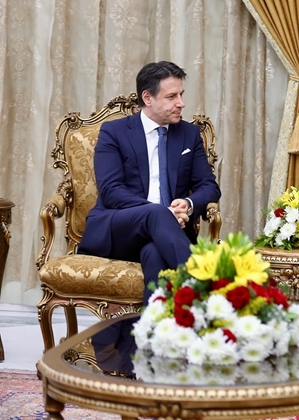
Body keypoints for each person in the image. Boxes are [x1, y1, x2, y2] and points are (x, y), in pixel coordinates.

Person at [78, 61, 221, 375]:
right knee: (156, 212)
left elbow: (209, 186)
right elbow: (111, 191)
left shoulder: (189, 134)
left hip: (164, 239)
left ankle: (146, 357)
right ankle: (208, 296)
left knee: (156, 254)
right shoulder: (115, 132)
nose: (181, 103)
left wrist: (188, 203)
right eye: (171, 96)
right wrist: (163, 212)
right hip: (117, 230)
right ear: (148, 98)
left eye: (181, 94)